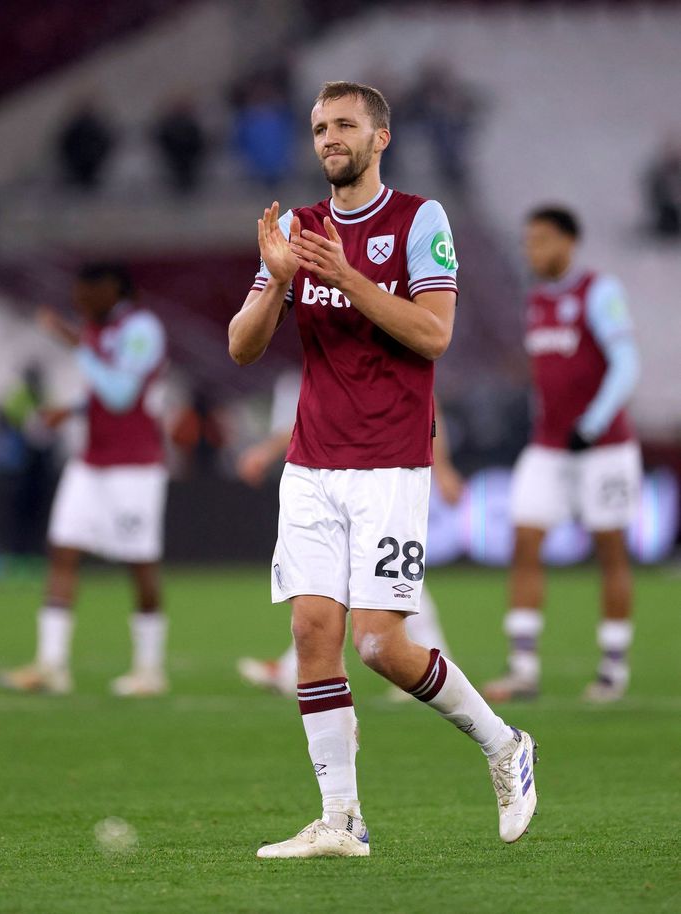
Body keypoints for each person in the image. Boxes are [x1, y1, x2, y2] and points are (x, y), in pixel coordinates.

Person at [228, 81, 537, 859]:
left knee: (381, 646)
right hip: (311, 463)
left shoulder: (419, 220)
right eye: (319, 127)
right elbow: (242, 344)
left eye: (344, 125)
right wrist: (283, 282)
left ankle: (505, 745)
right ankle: (341, 820)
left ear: (380, 137)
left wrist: (347, 277)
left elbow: (433, 334)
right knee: (311, 632)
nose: (329, 137)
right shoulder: (296, 229)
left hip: (390, 464)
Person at [483, 207, 641, 705]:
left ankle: (613, 667)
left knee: (610, 549)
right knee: (525, 540)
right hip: (548, 446)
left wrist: (591, 425)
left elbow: (627, 363)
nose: (534, 249)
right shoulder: (535, 301)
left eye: (543, 240)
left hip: (605, 448)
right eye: (528, 240)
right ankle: (523, 667)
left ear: (569, 242)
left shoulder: (599, 292)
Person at [0, 263, 169, 697]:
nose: (76, 302)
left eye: (83, 292)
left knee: (139, 562)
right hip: (91, 460)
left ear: (110, 289)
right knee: (62, 550)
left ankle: (149, 670)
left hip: (135, 464)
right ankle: (52, 664)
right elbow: (102, 389)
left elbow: (121, 393)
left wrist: (73, 341)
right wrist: (73, 408)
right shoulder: (100, 327)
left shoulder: (142, 329)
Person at [235, 373, 461, 697]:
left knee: (374, 577)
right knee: (366, 578)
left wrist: (443, 468)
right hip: (352, 477)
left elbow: (426, 400)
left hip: (388, 476)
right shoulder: (337, 358)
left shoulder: (378, 339)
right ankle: (292, 667)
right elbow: (318, 415)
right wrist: (268, 451)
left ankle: (291, 669)